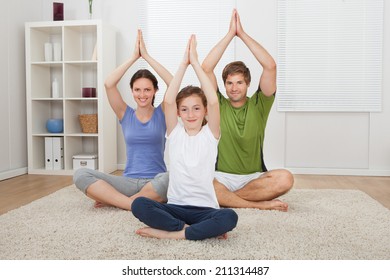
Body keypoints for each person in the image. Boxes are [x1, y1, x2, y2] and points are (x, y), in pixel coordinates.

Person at [131, 35, 238, 240]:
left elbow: (215, 102)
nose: (191, 114)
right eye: (185, 110)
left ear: (205, 111)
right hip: (176, 208)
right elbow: (169, 100)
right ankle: (192, 230)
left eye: (197, 108)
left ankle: (174, 234)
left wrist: (196, 63)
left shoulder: (211, 134)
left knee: (229, 217)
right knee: (139, 204)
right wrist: (183, 63)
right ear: (178, 113)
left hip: (206, 209)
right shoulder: (175, 133)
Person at [201, 9, 294, 211]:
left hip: (254, 177)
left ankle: (230, 200)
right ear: (224, 85)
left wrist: (241, 34)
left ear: (248, 84)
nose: (234, 87)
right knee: (203, 184)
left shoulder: (260, 104)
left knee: (285, 179)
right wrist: (229, 35)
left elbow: (270, 65)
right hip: (221, 177)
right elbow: (206, 68)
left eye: (239, 82)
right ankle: (259, 205)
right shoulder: (217, 104)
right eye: (229, 83)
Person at [73, 29, 172, 210]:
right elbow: (108, 83)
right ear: (132, 91)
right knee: (80, 174)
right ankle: (134, 203)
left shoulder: (163, 112)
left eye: (147, 90)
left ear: (155, 91)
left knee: (173, 178)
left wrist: (147, 57)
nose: (142, 95)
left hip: (156, 181)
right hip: (127, 182)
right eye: (137, 90)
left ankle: (116, 201)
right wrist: (134, 57)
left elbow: (173, 83)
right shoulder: (124, 113)